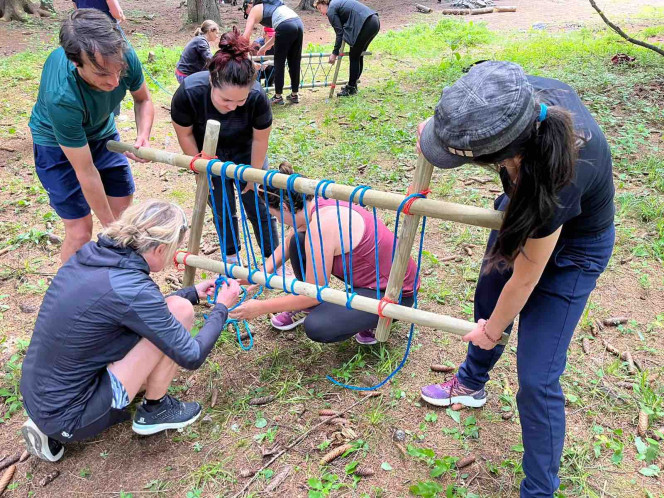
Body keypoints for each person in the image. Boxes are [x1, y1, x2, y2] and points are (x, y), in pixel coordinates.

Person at [417, 61, 615, 497]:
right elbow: (444, 121)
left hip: (574, 250)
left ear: (506, 156)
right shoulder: (511, 97)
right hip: (527, 204)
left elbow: (525, 281)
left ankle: (539, 490)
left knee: (537, 377)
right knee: (489, 295)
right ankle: (470, 383)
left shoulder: (564, 171)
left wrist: (493, 330)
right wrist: (439, 132)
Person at [20, 200, 241, 462]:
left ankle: (48, 423)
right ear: (159, 249)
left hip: (38, 395)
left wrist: (193, 292)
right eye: (174, 250)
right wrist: (222, 308)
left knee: (175, 308)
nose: (174, 257)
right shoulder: (133, 289)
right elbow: (191, 355)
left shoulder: (91, 256)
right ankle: (155, 410)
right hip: (75, 417)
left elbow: (135, 311)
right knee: (180, 312)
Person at [229, 162, 418, 344]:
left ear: (285, 207)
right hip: (371, 283)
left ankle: (369, 320)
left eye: (276, 215)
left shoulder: (321, 227)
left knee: (318, 326)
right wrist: (255, 276)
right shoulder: (316, 203)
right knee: (297, 241)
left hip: (395, 294)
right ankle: (329, 311)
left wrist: (260, 308)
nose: (278, 221)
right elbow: (289, 241)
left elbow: (314, 293)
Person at [29, 9, 154, 264]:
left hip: (101, 132)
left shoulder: (123, 54)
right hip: (55, 143)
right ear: (77, 63)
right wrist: (111, 231)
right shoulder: (62, 95)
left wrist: (143, 135)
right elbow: (85, 171)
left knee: (123, 215)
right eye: (102, 74)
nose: (114, 81)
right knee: (80, 231)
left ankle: (116, 280)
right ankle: (66, 297)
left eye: (118, 71)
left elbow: (143, 99)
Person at [170, 27, 277, 265]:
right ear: (211, 81)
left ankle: (273, 259)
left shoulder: (258, 98)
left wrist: (254, 173)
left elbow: (260, 139)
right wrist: (199, 165)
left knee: (259, 204)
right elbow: (185, 134)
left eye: (241, 100)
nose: (233, 106)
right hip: (208, 154)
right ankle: (231, 257)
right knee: (222, 205)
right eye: (226, 99)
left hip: (247, 152)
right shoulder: (189, 93)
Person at [243, 0, 304, 105]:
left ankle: (278, 96)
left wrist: (242, 52)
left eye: (246, 11)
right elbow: (279, 33)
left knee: (279, 62)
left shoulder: (254, 9)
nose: (247, 14)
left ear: (249, 5)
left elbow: (246, 36)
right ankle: (294, 94)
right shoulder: (275, 6)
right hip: (298, 22)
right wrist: (264, 48)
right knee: (294, 60)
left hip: (285, 26)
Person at [313, 0, 379, 97]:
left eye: (320, 8)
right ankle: (353, 85)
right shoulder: (337, 3)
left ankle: (351, 88)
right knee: (358, 55)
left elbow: (339, 33)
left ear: (324, 3)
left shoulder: (331, 9)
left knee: (354, 56)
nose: (321, 13)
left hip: (367, 23)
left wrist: (334, 53)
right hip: (374, 21)